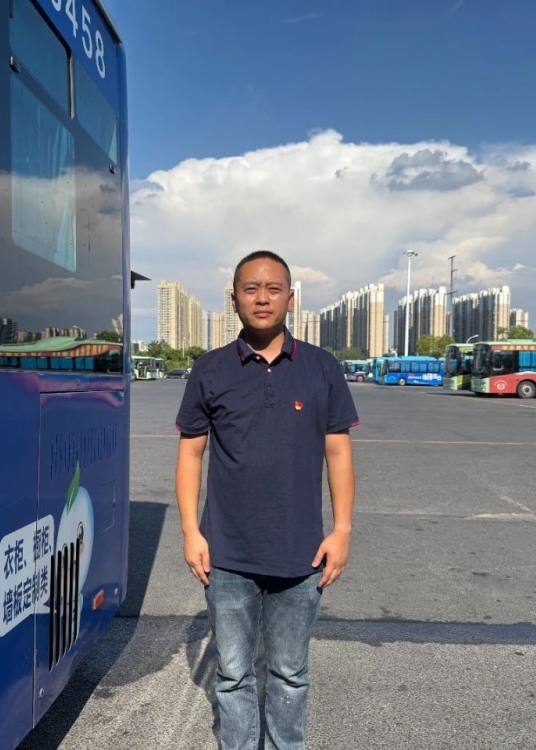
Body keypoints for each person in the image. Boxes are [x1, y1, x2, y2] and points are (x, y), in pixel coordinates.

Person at [175, 250, 358, 750]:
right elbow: (191, 454)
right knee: (233, 674)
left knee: (290, 675)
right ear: (234, 299)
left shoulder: (321, 367)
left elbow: (338, 452)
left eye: (273, 288)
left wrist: (341, 531)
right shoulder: (210, 370)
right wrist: (191, 532)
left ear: (290, 299)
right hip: (227, 554)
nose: (262, 298)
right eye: (251, 288)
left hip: (302, 555)